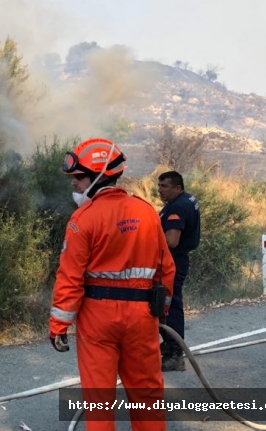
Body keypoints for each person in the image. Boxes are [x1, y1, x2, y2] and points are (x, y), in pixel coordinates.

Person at [49, 138, 176, 431]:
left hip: (98, 318)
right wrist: (161, 312)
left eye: (79, 178)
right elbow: (165, 269)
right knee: (147, 397)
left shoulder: (82, 219)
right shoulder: (146, 212)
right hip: (143, 316)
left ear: (98, 176)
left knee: (99, 400)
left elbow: (69, 278)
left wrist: (58, 326)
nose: (74, 184)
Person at [157, 170, 201, 372]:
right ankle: (169, 346)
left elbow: (172, 241)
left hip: (172, 263)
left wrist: (148, 237)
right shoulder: (187, 199)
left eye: (164, 186)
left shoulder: (177, 208)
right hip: (177, 261)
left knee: (169, 306)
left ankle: (174, 354)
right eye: (159, 185)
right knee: (169, 304)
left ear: (177, 187)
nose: (160, 190)